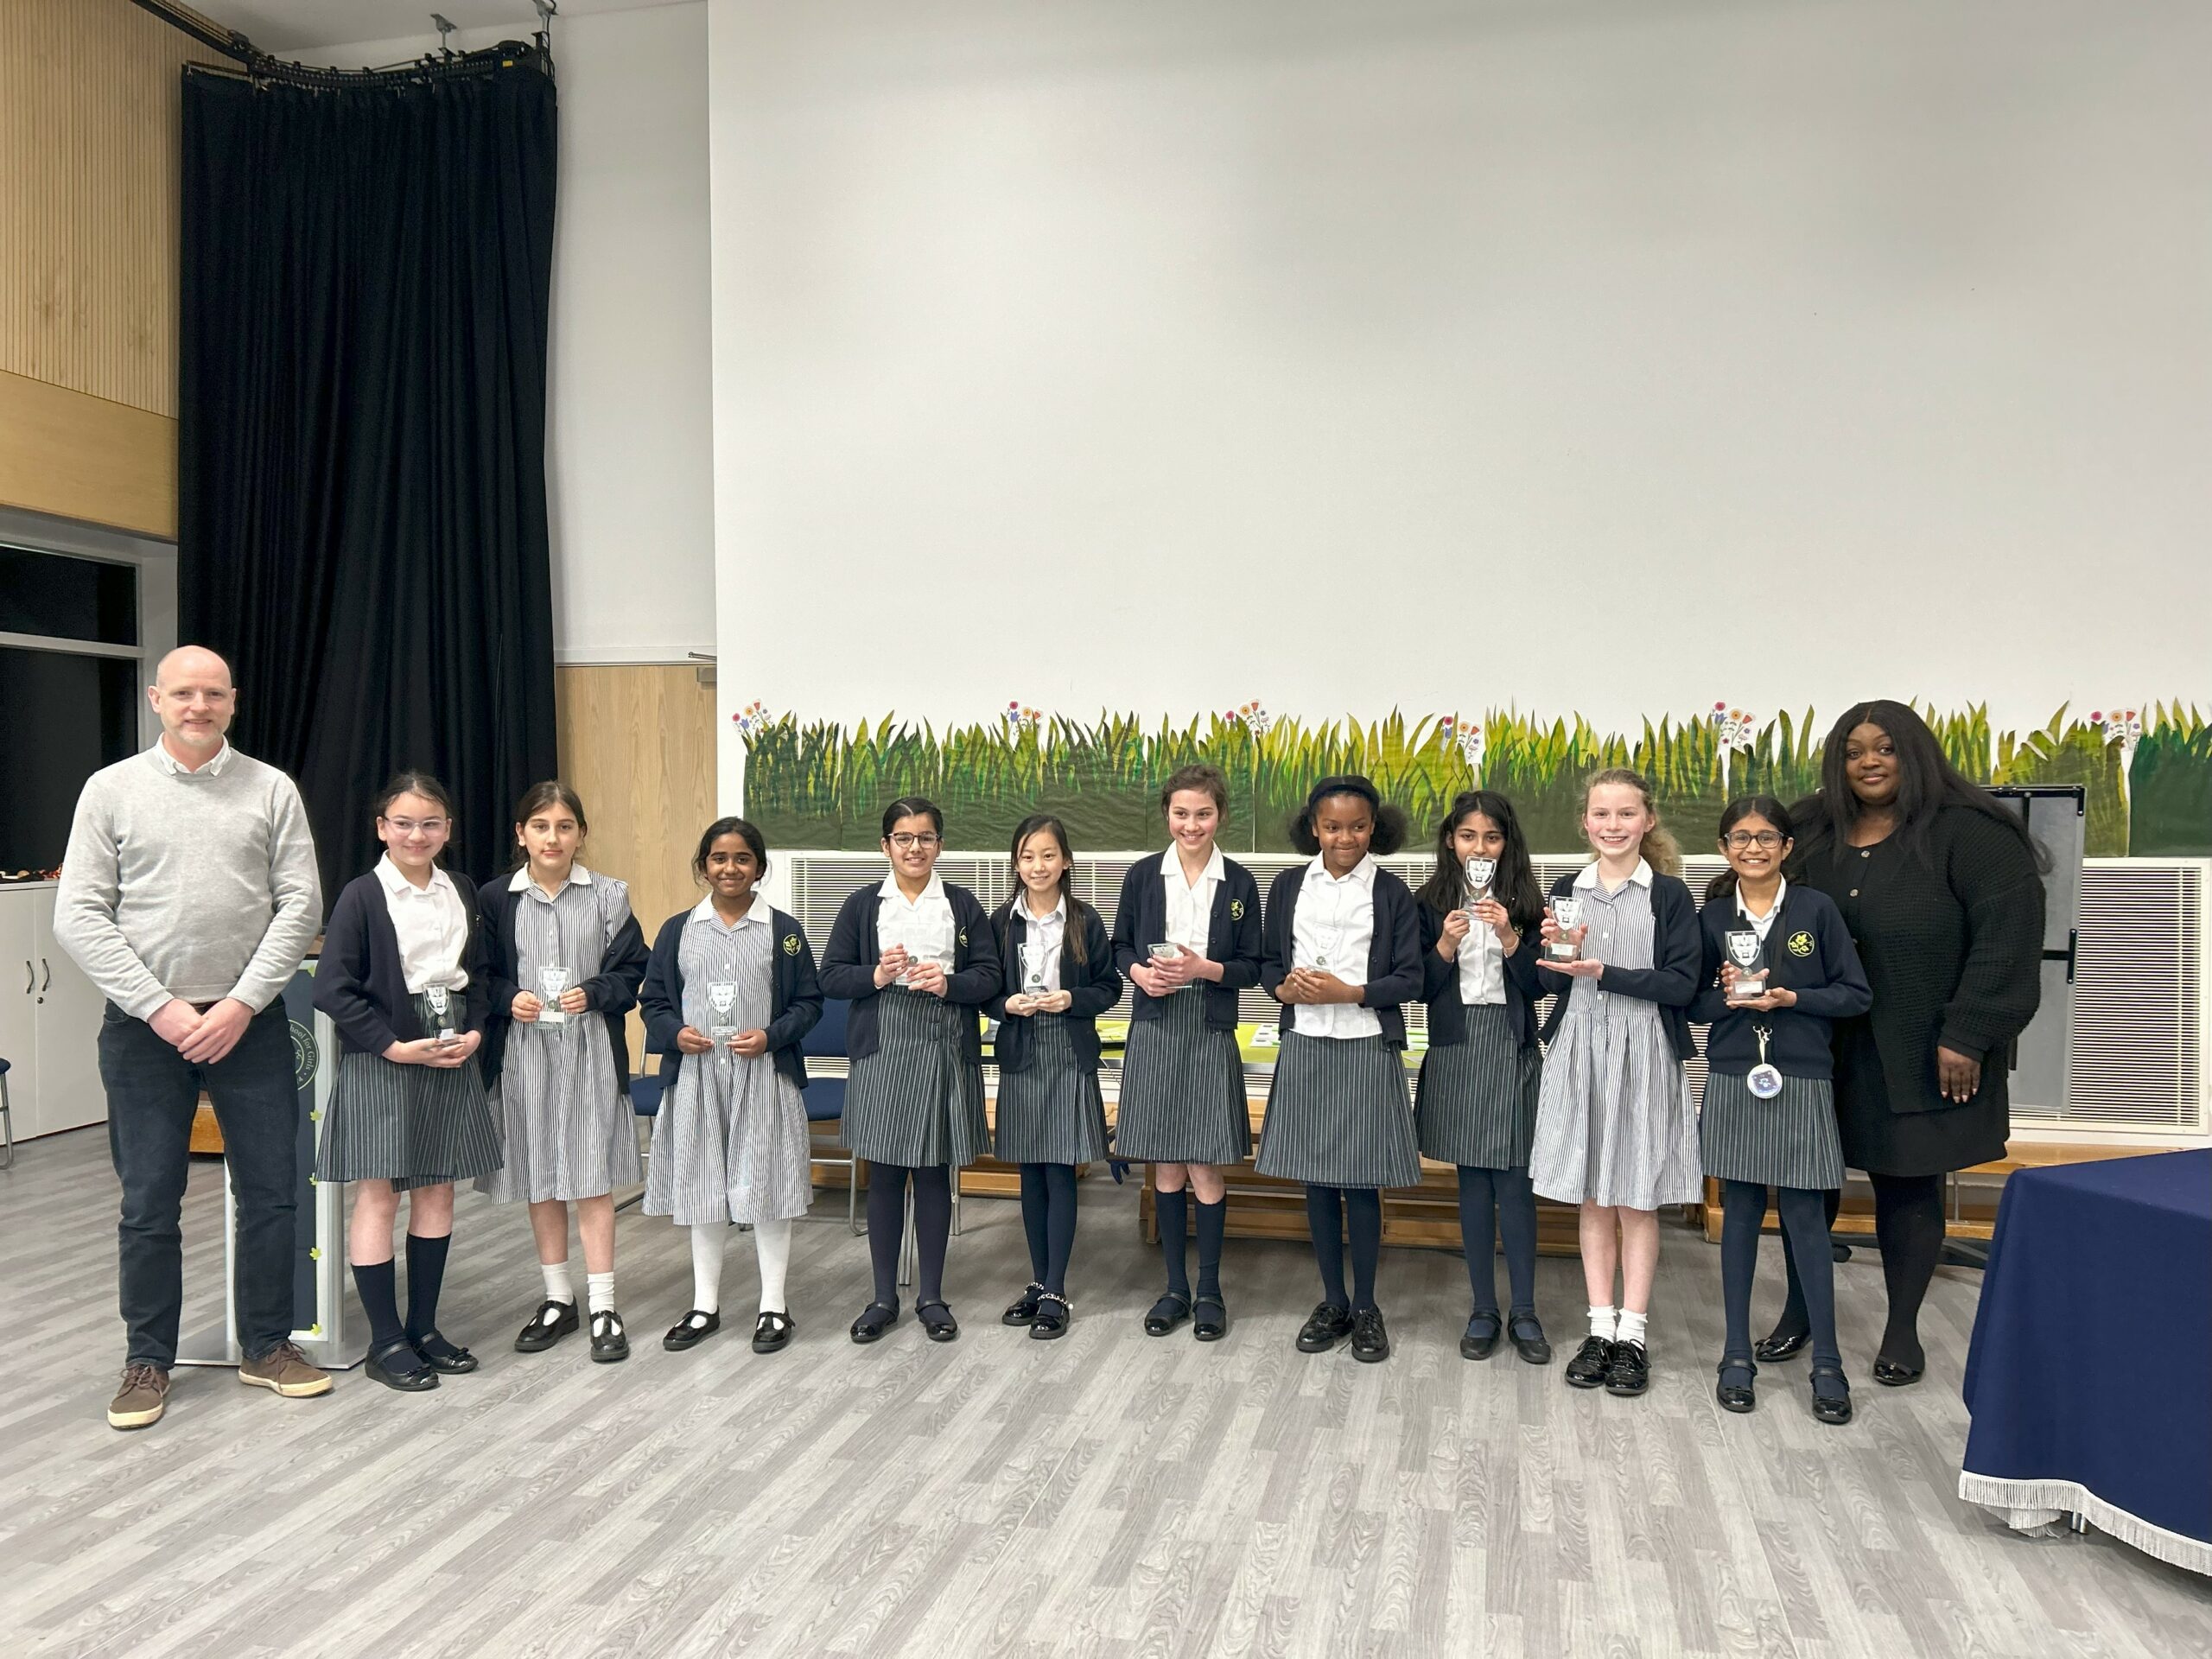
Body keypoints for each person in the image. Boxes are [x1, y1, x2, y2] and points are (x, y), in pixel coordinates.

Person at [56, 645, 327, 1431]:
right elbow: (78, 915)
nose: (198, 706)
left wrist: (241, 1003)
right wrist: (158, 1007)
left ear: (233, 702)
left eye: (212, 694)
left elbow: (300, 906)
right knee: (148, 1202)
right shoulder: (110, 790)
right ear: (156, 700)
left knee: (272, 1194)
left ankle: (267, 1346)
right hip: (145, 1031)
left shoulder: (271, 789)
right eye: (183, 694)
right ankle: (148, 1360)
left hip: (252, 1025)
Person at [1759, 701, 2045, 1386]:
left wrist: (1969, 1034)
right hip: (1816, 1042)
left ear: (1913, 753)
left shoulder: (1972, 834)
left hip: (1923, 1045)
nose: (1869, 762)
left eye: (1885, 748)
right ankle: (1802, 1310)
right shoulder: (1806, 827)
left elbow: (2006, 941)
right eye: (1854, 750)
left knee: (1909, 1184)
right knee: (1804, 1181)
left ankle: (1901, 1330)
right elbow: (1749, 893)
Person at [313, 772, 504, 1391]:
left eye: (429, 824)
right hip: (386, 1052)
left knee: (438, 1191)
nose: (416, 835)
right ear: (381, 828)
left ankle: (423, 1328)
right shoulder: (362, 895)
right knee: (379, 1194)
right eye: (403, 823)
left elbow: (479, 974)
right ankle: (385, 1341)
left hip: (449, 1047)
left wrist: (475, 1032)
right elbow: (332, 989)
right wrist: (392, 1046)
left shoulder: (461, 888)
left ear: (447, 829)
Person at [1689, 796, 1870, 1424]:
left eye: (1766, 837)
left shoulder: (1816, 910)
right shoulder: (1713, 917)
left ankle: (1829, 1365)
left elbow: (1855, 994)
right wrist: (1727, 999)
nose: (1754, 848)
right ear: (1724, 848)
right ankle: (1736, 1354)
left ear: (1787, 847)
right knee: (1738, 1212)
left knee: (1805, 1218)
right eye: (1740, 837)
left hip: (1801, 1075)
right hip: (1733, 1074)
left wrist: (1794, 998)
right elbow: (1690, 1004)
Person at [1528, 766, 1701, 1399]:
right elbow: (1545, 980)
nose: (1613, 825)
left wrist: (1607, 971)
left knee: (1637, 1197)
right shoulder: (1565, 889)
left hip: (1644, 1050)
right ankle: (1599, 1328)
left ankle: (1634, 1334)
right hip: (1581, 1050)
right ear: (1585, 823)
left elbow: (1682, 984)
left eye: (1626, 814)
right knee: (1594, 1197)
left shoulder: (1669, 896)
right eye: (1601, 814)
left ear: (1647, 821)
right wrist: (1554, 951)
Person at [476, 782, 649, 1363]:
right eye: (541, 826)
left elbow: (633, 971)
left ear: (581, 834)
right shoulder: (496, 899)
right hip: (523, 1055)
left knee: (591, 1179)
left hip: (589, 1053)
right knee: (540, 1176)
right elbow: (478, 975)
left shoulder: (609, 895)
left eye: (564, 826)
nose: (553, 837)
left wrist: (594, 992)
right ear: (521, 834)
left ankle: (604, 1305)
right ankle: (557, 1299)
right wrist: (509, 998)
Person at [818, 798, 1002, 1344]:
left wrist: (949, 983)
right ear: (886, 846)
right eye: (903, 838)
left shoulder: (962, 905)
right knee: (885, 1171)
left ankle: (932, 1297)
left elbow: (991, 976)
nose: (914, 847)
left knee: (933, 1172)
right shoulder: (862, 905)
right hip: (883, 1046)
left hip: (944, 1044)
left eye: (925, 837)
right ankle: (882, 1297)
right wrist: (876, 975)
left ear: (939, 845)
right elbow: (831, 977)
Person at [1256, 775, 1423, 1363]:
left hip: (1365, 1044)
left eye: (1357, 827)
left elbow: (1411, 977)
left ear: (1375, 828)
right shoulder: (1288, 886)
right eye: (1332, 827)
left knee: (1362, 1178)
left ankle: (1368, 1306)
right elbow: (1269, 965)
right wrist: (1283, 989)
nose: (1344, 837)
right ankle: (1333, 1302)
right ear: (1313, 828)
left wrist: (1350, 992)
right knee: (1318, 1178)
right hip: (1305, 1042)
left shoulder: (1392, 892)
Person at [639, 817, 823, 1354]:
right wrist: (675, 1034)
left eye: (743, 858)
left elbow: (808, 1003)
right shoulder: (678, 929)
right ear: (703, 866)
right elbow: (653, 1002)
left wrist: (771, 1036)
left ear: (760, 868)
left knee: (769, 1187)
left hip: (764, 1077)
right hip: (698, 1079)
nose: (730, 868)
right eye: (719, 858)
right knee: (703, 1188)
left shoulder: (784, 930)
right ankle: (704, 1306)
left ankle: (774, 1306)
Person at [1109, 764, 1265, 1343]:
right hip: (1155, 1023)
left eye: (1203, 813)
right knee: (1168, 1164)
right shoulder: (1143, 875)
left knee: (1205, 1163)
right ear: (1167, 815)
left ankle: (1210, 1291)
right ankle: (1174, 1288)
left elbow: (1253, 966)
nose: (1191, 825)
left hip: (1209, 1025)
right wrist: (1138, 974)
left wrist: (1205, 968)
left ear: (1220, 815)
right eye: (1181, 814)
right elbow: (1119, 945)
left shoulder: (1239, 882)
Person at [1411, 790, 1552, 1365]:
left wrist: (1510, 937)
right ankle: (1483, 1308)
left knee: (1515, 1181)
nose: (1480, 847)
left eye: (1492, 837)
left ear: (1506, 843)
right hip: (1458, 1044)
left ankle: (1525, 1311)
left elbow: (1542, 985)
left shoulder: (1530, 901)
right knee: (1472, 1181)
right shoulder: (1427, 903)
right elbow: (1418, 987)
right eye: (1468, 836)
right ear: (1451, 841)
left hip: (1511, 1045)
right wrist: (1446, 943)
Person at [988, 815, 1122, 1339]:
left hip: (1068, 1049)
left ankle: (1056, 1290)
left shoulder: (1085, 921)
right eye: (1027, 857)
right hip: (1022, 1050)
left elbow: (1109, 987)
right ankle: (1039, 1281)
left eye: (1048, 855)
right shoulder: (1002, 923)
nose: (1038, 866)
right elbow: (984, 987)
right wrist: (1006, 1004)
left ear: (1065, 861)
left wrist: (1071, 999)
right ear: (1016, 864)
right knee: (1031, 1171)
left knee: (1061, 1168)